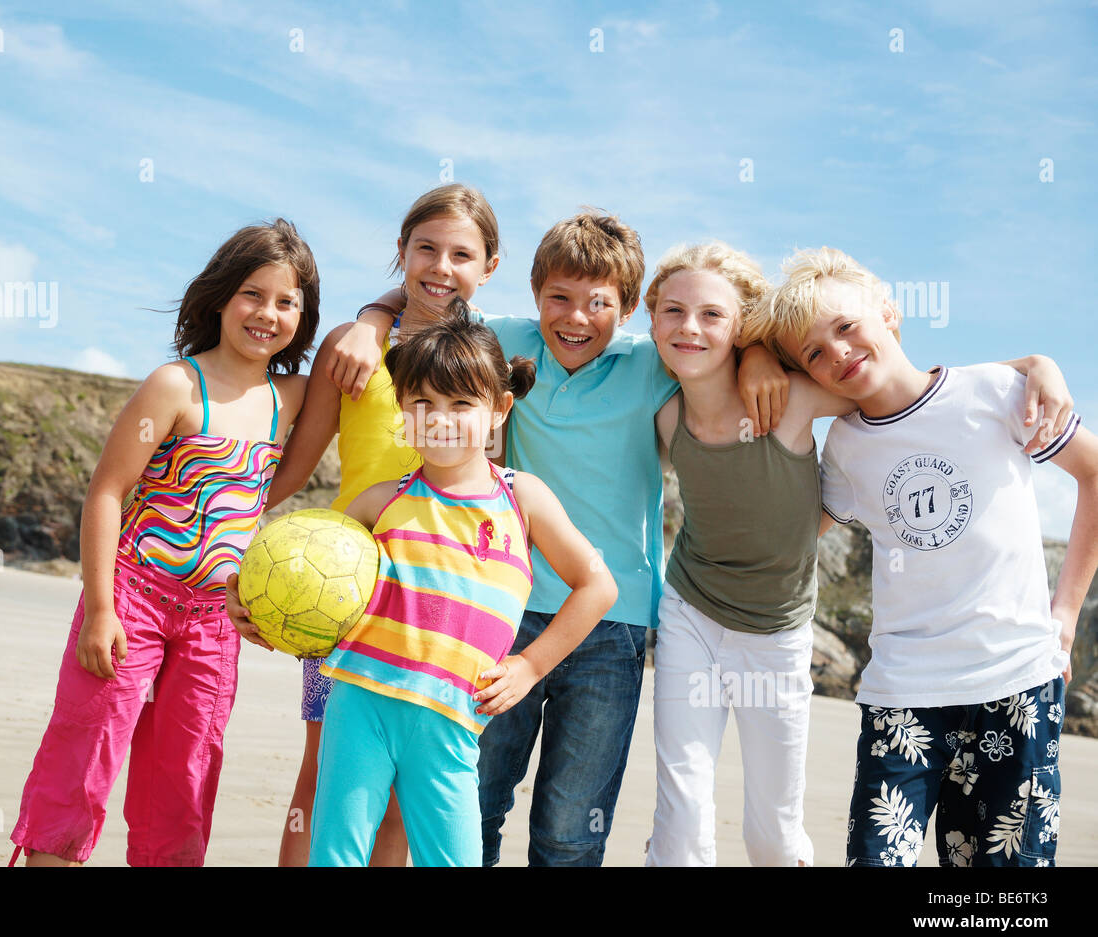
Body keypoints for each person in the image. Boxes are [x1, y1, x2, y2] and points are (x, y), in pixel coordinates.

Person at [327, 210, 788, 866]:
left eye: (599, 304)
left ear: (630, 308)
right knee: (473, 800)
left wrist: (763, 353)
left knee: (572, 826)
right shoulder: (503, 345)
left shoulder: (652, 363)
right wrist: (373, 317)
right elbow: (435, 296)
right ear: (535, 293)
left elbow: (725, 337)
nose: (576, 318)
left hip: (613, 623)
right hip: (497, 617)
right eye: (558, 299)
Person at [643, 242, 1069, 867]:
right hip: (732, 627)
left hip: (812, 641)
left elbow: (914, 389)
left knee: (780, 836)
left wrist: (1035, 363)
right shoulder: (666, 405)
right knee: (687, 822)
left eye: (712, 314)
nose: (690, 327)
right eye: (673, 311)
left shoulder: (805, 399)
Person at [754, 246, 1097, 867]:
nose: (838, 353)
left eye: (846, 327)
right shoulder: (846, 452)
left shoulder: (999, 391)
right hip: (904, 695)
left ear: (889, 310)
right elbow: (792, 539)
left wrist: (1066, 611)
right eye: (814, 353)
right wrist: (761, 366)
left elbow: (1095, 476)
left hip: (1017, 679)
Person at [8, 219, 317, 867]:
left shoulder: (292, 398)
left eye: (287, 302)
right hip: (133, 599)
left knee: (184, 778)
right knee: (85, 755)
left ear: (304, 315)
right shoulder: (176, 385)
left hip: (214, 621)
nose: (267, 313)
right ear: (220, 298)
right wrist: (100, 609)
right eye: (252, 295)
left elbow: (267, 486)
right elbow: (106, 492)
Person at [302, 300, 616, 865]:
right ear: (401, 407)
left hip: (452, 719)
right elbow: (307, 570)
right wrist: (246, 602)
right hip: (359, 702)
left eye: (461, 403)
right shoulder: (382, 501)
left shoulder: (522, 499)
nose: (440, 417)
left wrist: (529, 665)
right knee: (336, 854)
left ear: (499, 409)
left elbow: (597, 586)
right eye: (422, 402)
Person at [260, 183, 501, 867]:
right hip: (342, 592)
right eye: (426, 248)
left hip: (443, 594)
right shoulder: (352, 347)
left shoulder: (490, 352)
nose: (441, 267)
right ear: (401, 252)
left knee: (404, 790)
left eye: (462, 254)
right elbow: (294, 471)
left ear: (488, 267)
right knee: (326, 771)